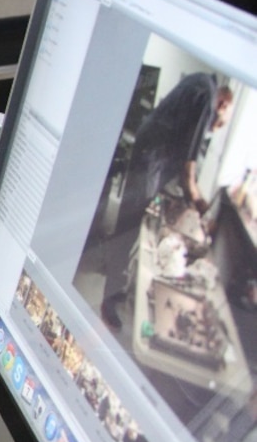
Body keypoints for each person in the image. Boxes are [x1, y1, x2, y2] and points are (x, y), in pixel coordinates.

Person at [99, 72, 234, 328]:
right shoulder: (206, 96)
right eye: (217, 124)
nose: (213, 128)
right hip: (150, 159)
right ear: (223, 105)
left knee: (135, 225)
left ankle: (115, 292)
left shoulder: (200, 83)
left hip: (152, 157)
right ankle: (108, 300)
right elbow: (188, 169)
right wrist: (203, 207)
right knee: (129, 229)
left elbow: (182, 147)